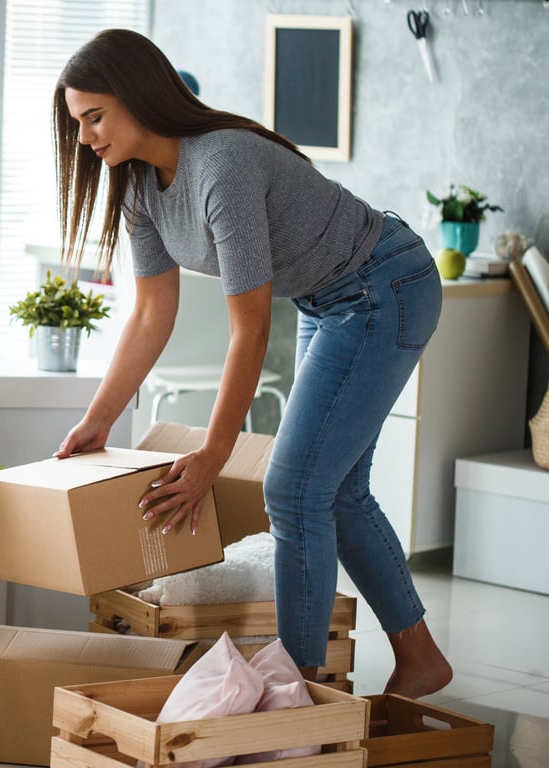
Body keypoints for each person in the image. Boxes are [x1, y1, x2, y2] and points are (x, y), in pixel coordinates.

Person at [50, 28, 452, 698]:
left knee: (294, 491)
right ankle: (421, 660)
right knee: (336, 492)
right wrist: (98, 420)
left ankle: (294, 693)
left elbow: (252, 328)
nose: (87, 138)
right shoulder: (139, 189)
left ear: (140, 96)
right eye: (77, 123)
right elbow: (152, 312)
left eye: (95, 117)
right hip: (330, 300)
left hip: (384, 286)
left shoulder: (222, 166)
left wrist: (214, 453)